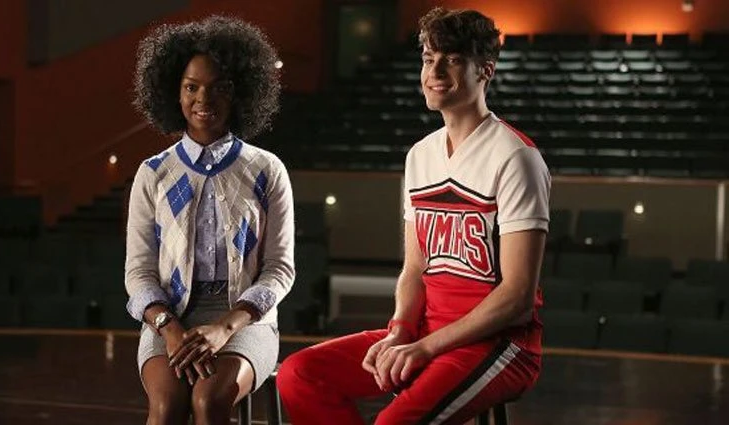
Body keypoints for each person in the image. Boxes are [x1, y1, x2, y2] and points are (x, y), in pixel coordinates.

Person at [277, 7, 550, 424]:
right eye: (428, 58)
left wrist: (426, 347)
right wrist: (401, 329)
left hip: (501, 344)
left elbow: (517, 297)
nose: (435, 71)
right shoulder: (420, 155)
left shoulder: (516, 157)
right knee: (299, 374)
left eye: (452, 59)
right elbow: (414, 268)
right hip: (427, 332)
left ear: (486, 70)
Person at [126, 15, 294, 425]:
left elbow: (279, 270)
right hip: (169, 317)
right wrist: (169, 329)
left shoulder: (267, 170)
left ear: (240, 92)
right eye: (191, 87)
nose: (204, 98)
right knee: (167, 406)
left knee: (209, 400)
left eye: (220, 87)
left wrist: (225, 327)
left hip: (246, 320)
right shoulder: (153, 173)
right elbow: (138, 272)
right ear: (174, 91)